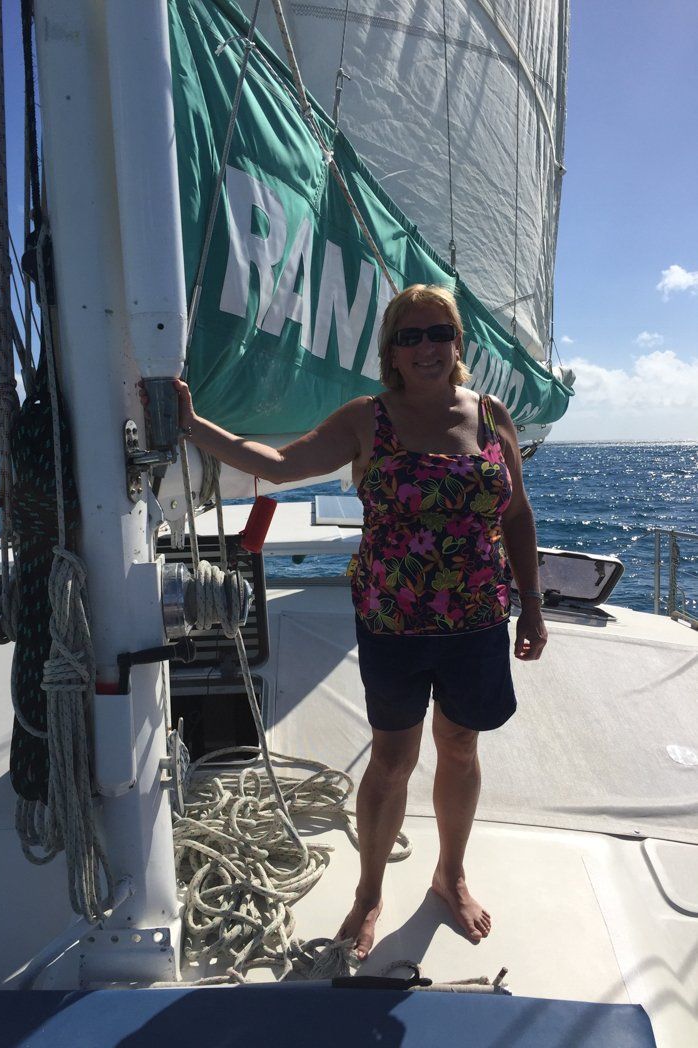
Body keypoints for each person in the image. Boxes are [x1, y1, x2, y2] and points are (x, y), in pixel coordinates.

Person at [174, 283, 547, 960]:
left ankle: (450, 873)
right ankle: (369, 892)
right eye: (411, 336)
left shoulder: (492, 417)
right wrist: (198, 431)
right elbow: (282, 465)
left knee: (461, 747)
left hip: (478, 622)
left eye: (440, 333)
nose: (428, 347)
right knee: (393, 759)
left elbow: (515, 514)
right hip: (393, 626)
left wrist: (534, 606)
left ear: (459, 344)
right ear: (391, 352)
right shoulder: (367, 421)